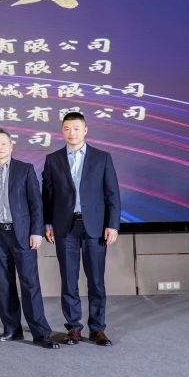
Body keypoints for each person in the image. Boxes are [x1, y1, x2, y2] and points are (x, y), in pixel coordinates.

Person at [0, 128, 59, 349]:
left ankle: (41, 333)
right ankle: (12, 329)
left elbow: (36, 204)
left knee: (30, 283)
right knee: (5, 284)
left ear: (11, 145)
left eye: (3, 143)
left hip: (23, 236)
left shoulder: (25, 170)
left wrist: (36, 232)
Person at [43, 112, 122, 346]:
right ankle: (74, 328)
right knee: (69, 280)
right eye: (67, 128)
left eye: (76, 128)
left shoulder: (102, 158)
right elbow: (47, 196)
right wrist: (47, 223)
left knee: (96, 280)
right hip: (64, 227)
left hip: (95, 226)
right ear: (62, 131)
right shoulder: (53, 159)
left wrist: (112, 225)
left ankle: (97, 329)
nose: (72, 133)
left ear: (85, 130)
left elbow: (112, 194)